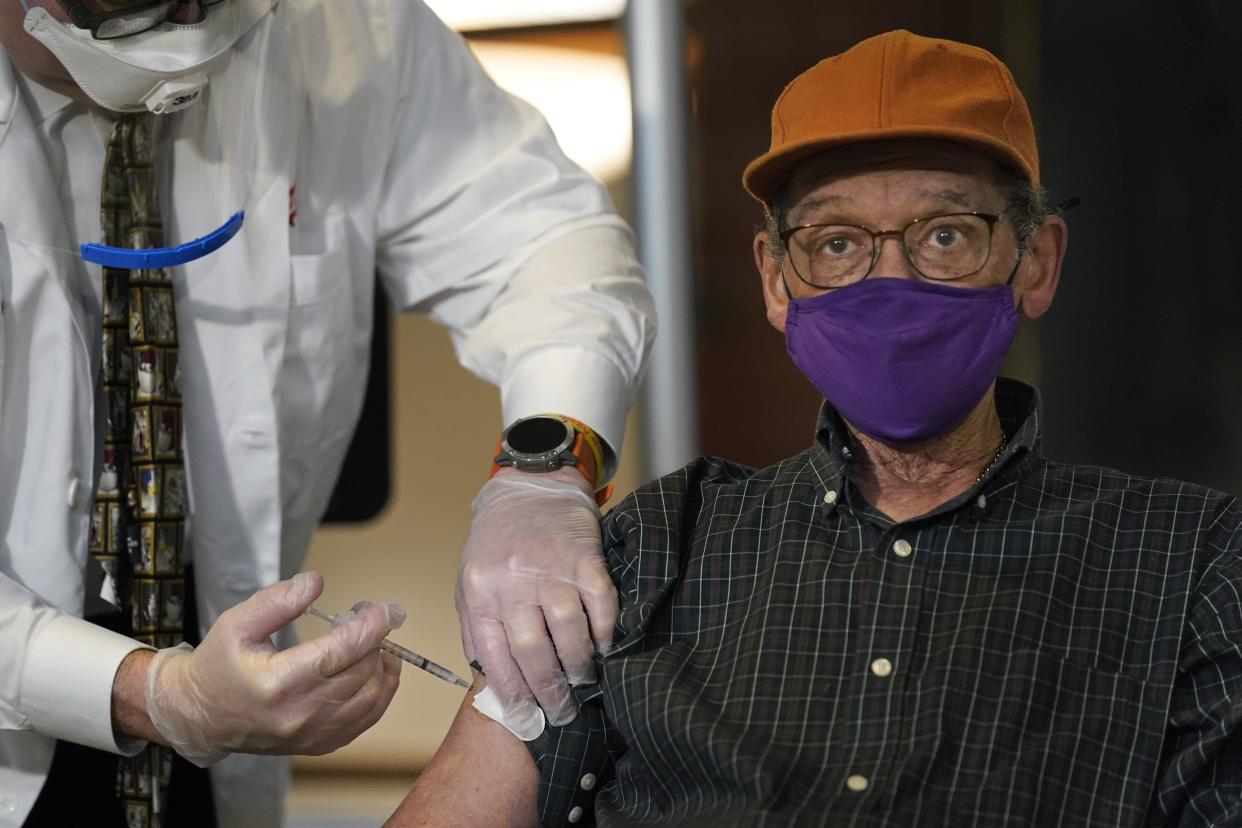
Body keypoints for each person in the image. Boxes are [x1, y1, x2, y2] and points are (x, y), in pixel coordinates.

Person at [387, 30, 1242, 828]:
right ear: (774, 278)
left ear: (1037, 262)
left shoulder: (1187, 560)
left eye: (945, 233)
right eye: (836, 243)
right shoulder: (657, 547)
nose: (890, 279)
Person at [0, 1, 654, 826]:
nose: (188, 18)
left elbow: (544, 244)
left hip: (212, 739)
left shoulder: (340, 24)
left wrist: (546, 472)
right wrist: (153, 693)